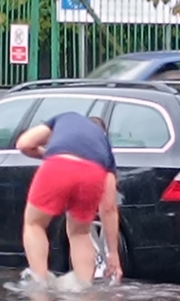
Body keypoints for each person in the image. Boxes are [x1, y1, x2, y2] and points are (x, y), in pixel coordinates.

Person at [16, 112, 122, 290]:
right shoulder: (105, 148)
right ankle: (84, 294)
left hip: (58, 165)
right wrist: (113, 253)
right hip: (93, 173)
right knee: (80, 233)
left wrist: (48, 153)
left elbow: (24, 144)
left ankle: (40, 288)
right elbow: (109, 207)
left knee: (34, 223)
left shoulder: (66, 117)